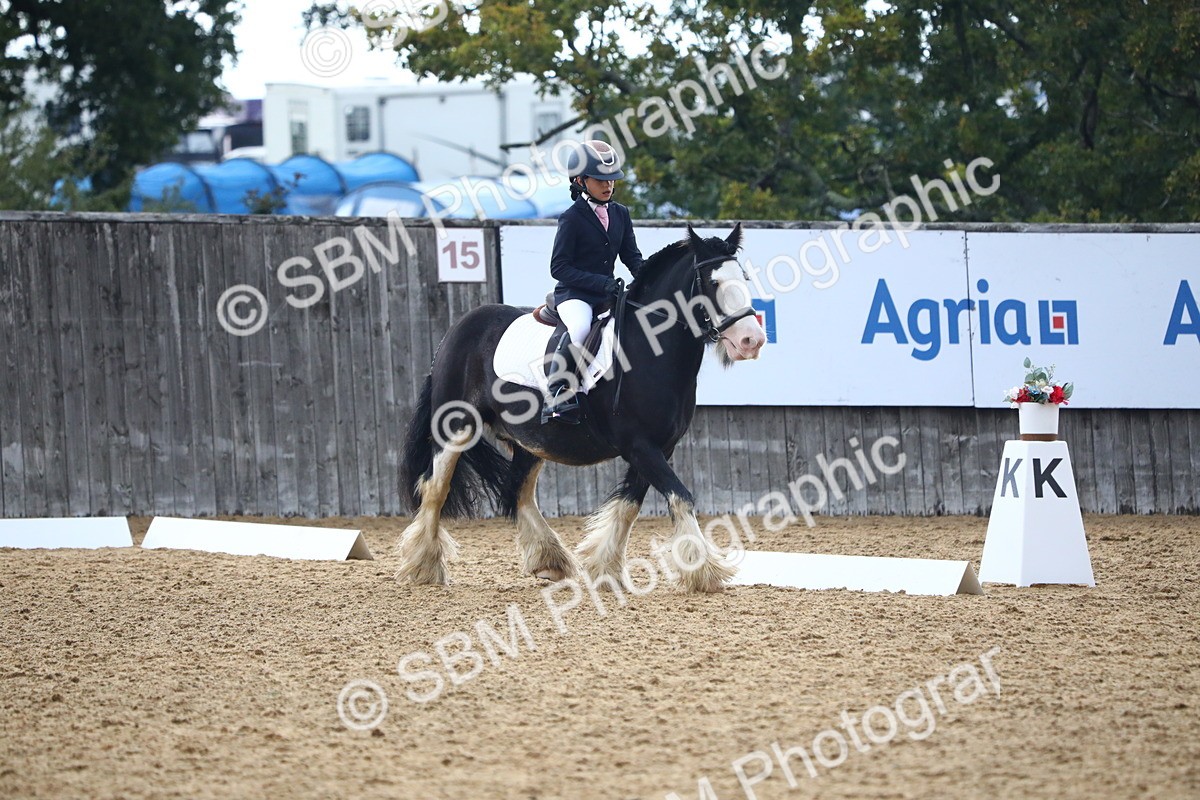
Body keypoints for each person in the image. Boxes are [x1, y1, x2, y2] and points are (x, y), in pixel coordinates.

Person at [543, 140, 645, 424]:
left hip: (608, 294)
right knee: (580, 328)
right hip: (575, 295)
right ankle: (558, 393)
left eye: (611, 179)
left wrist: (649, 277)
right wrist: (601, 284)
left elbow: (632, 257)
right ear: (580, 180)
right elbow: (559, 267)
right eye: (600, 179)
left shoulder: (620, 213)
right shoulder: (571, 219)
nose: (608, 186)